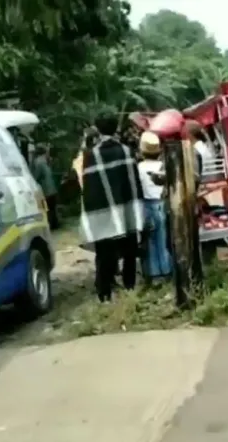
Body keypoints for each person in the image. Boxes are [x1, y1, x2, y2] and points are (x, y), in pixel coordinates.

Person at [80, 110, 145, 302]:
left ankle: (104, 292)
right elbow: (133, 183)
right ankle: (130, 286)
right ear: (115, 128)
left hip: (103, 213)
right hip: (126, 210)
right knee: (130, 251)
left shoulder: (91, 155)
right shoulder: (126, 151)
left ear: (98, 130)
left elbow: (90, 188)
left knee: (104, 254)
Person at [137, 131, 172, 283]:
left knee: (150, 239)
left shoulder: (139, 167)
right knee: (164, 238)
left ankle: (154, 273)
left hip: (147, 204)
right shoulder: (164, 165)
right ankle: (167, 269)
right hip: (163, 203)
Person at [31, 144, 59, 230]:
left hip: (46, 189)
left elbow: (36, 176)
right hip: (50, 188)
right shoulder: (43, 162)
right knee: (52, 207)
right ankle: (55, 224)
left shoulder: (39, 162)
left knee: (48, 208)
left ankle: (52, 225)